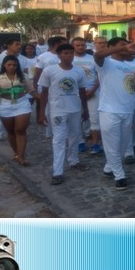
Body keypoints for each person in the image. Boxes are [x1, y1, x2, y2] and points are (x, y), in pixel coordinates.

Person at [38, 44, 90, 185]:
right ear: (59, 55)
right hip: (58, 110)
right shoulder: (50, 71)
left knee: (75, 136)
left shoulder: (79, 71)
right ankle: (58, 171)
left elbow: (82, 92)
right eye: (66, 53)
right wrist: (41, 112)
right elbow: (43, 93)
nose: (69, 56)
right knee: (59, 139)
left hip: (75, 109)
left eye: (71, 53)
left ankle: (74, 160)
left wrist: (85, 110)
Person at [94, 37, 135, 190]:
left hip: (127, 111)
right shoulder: (106, 63)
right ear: (112, 47)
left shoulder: (128, 67)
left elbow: (129, 88)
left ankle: (108, 167)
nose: (126, 47)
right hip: (109, 110)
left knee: (123, 144)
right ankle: (119, 176)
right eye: (122, 45)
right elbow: (98, 55)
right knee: (112, 145)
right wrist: (122, 48)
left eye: (127, 44)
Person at [0, 55, 38, 165]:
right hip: (5, 105)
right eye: (9, 65)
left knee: (20, 130)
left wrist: (41, 98)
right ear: (4, 65)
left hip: (22, 103)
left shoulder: (23, 76)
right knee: (10, 131)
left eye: (14, 65)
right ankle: (16, 153)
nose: (12, 67)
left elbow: (31, 90)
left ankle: (21, 156)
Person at [71, 37, 102, 154]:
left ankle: (95, 144)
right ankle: (80, 142)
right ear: (73, 46)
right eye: (77, 45)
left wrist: (93, 90)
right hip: (75, 94)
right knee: (77, 119)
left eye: (82, 45)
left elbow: (100, 76)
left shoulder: (93, 59)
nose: (80, 47)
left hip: (92, 92)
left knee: (94, 119)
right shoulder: (70, 59)